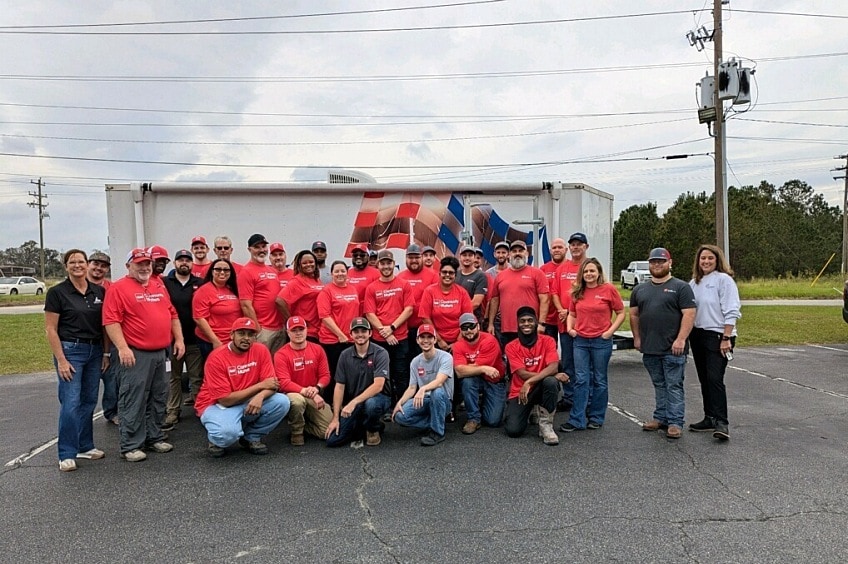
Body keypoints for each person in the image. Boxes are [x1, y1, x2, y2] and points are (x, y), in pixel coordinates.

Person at [103, 248, 185, 462]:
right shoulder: (118, 288)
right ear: (128, 266)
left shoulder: (158, 284)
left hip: (161, 352)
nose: (145, 267)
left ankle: (154, 436)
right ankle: (131, 444)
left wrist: (179, 339)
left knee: (159, 396)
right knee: (133, 398)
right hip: (135, 353)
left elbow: (172, 314)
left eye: (147, 263)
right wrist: (122, 348)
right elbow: (111, 321)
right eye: (139, 263)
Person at [45, 249, 110, 472]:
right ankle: (66, 453)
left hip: (95, 351)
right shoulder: (57, 293)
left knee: (89, 400)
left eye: (81, 261)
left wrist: (106, 353)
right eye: (72, 262)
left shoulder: (98, 291)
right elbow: (51, 330)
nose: (77, 265)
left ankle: (85, 446)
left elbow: (105, 326)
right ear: (66, 266)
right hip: (70, 351)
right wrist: (61, 360)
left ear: (87, 265)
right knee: (71, 402)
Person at [195, 317, 290, 457]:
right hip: (217, 405)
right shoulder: (216, 357)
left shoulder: (261, 350)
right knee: (227, 435)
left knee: (282, 402)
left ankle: (251, 437)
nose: (246, 338)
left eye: (251, 334)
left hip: (247, 400)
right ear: (231, 335)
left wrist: (260, 396)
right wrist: (260, 387)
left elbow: (272, 384)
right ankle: (216, 439)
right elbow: (225, 400)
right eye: (241, 333)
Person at [629, 247, 697, 439]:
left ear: (670, 263)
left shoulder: (681, 287)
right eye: (653, 262)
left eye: (661, 261)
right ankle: (660, 418)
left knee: (674, 385)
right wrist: (637, 337)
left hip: (673, 348)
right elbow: (634, 314)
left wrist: (681, 339)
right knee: (659, 384)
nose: (657, 265)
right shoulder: (640, 289)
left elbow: (689, 314)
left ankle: (675, 422)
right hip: (650, 347)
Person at [559, 258, 624, 433]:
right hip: (580, 341)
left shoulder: (608, 289)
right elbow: (571, 313)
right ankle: (577, 419)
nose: (589, 274)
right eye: (586, 271)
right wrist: (570, 328)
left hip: (601, 341)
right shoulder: (577, 291)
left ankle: (596, 417)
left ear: (598, 273)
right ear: (582, 274)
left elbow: (620, 313)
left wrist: (609, 332)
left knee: (599, 380)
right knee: (581, 379)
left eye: (592, 271)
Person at [688, 244, 741, 440]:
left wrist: (726, 337)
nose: (706, 262)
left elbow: (732, 310)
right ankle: (709, 417)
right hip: (698, 335)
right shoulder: (694, 283)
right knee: (704, 378)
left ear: (717, 260)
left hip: (719, 336)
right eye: (703, 258)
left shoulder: (724, 281)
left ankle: (721, 422)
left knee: (714, 379)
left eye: (710, 258)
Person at [503, 307, 568, 445]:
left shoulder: (548, 341)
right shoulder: (511, 346)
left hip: (538, 387)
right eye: (522, 321)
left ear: (536, 322)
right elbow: (522, 373)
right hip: (520, 392)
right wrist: (553, 375)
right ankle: (531, 410)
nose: (526, 324)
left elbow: (553, 366)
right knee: (513, 430)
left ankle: (546, 426)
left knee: (551, 382)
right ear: (518, 324)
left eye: (530, 320)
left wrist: (531, 381)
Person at [325, 317, 392, 447]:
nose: (360, 334)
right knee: (332, 441)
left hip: (378, 398)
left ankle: (373, 428)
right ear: (351, 335)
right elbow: (339, 387)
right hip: (355, 402)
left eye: (363, 331)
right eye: (356, 331)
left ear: (370, 333)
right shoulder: (344, 355)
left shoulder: (381, 353)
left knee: (371, 405)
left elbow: (378, 386)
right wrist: (335, 418)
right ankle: (364, 424)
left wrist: (353, 403)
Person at [363, 249, 414, 404]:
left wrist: (391, 328)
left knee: (401, 373)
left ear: (393, 264)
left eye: (389, 263)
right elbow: (369, 313)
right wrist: (384, 332)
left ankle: (402, 404)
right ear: (378, 265)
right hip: (379, 340)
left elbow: (409, 309)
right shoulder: (371, 288)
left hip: (400, 338)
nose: (386, 266)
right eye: (383, 263)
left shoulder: (404, 285)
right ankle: (387, 405)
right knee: (382, 374)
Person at [392, 324, 454, 446]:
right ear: (417, 340)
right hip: (424, 399)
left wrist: (423, 389)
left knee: (437, 392)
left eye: (429, 337)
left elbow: (440, 381)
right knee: (400, 416)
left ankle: (437, 433)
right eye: (422, 337)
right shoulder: (415, 362)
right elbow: (412, 388)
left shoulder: (446, 357)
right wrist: (399, 403)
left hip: (442, 399)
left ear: (435, 339)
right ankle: (436, 421)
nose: (426, 340)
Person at [162, 249, 203, 430]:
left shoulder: (199, 283)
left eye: (188, 260)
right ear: (175, 263)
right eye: (181, 260)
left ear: (192, 264)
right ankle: (173, 410)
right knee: (174, 377)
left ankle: (201, 409)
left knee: (196, 377)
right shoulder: (165, 283)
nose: (184, 263)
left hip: (194, 339)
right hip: (172, 341)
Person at [274, 316, 333, 445]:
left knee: (327, 432)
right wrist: (306, 391)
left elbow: (325, 375)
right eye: (294, 330)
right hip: (294, 393)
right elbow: (284, 382)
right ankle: (297, 431)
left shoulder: (317, 349)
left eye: (301, 329)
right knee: (297, 401)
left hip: (313, 393)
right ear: (288, 332)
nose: (298, 333)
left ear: (307, 330)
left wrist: (317, 388)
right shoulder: (281, 354)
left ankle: (306, 426)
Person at [551, 232, 590, 410]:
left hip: (585, 325)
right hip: (565, 323)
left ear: (585, 247)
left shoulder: (589, 267)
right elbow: (554, 293)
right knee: (568, 361)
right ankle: (569, 397)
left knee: (585, 363)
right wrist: (561, 310)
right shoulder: (562, 268)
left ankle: (587, 398)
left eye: (579, 244)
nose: (575, 247)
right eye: (573, 244)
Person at [487, 240, 550, 348]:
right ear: (509, 255)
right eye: (514, 251)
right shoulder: (500, 276)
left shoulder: (537, 273)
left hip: (529, 327)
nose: (517, 253)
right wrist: (491, 324)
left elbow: (545, 299)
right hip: (507, 328)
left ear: (527, 253)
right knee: (510, 361)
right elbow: (494, 300)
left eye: (521, 251)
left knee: (530, 360)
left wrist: (541, 324)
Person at [453, 313, 506, 434]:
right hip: (476, 379)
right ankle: (474, 418)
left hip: (495, 381)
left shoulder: (489, 340)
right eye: (465, 328)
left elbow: (464, 368)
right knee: (467, 381)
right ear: (460, 330)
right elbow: (459, 372)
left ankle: (484, 401)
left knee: (493, 421)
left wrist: (467, 367)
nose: (469, 330)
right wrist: (483, 369)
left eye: (471, 326)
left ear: (478, 326)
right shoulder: (458, 346)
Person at [317, 260, 360, 399]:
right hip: (332, 341)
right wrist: (340, 335)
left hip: (350, 340)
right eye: (337, 271)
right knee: (335, 374)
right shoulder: (326, 291)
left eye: (343, 271)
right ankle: (331, 405)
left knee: (349, 374)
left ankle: (347, 404)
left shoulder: (353, 289)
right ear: (331, 274)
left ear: (347, 273)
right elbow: (324, 316)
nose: (340, 274)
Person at [238, 233, 285, 354]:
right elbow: (245, 305)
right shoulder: (246, 272)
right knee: (261, 366)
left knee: (275, 366)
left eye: (263, 246)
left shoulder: (272, 270)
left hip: (279, 328)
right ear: (249, 249)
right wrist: (257, 330)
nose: (261, 250)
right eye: (257, 247)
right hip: (263, 330)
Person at [86, 251, 118, 426]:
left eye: (103, 265)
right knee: (87, 383)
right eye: (95, 264)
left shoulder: (111, 288)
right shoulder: (79, 286)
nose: (99, 268)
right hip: (85, 341)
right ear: (88, 264)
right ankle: (84, 416)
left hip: (108, 341)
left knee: (111, 379)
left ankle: (111, 412)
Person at [419, 256, 473, 352]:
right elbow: (425, 317)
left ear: (455, 275)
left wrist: (458, 342)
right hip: (435, 341)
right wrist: (439, 340)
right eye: (444, 272)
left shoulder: (462, 293)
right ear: (439, 273)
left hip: (459, 340)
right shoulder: (429, 291)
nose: (447, 275)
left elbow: (468, 319)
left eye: (451, 273)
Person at [193, 258, 242, 362]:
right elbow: (199, 318)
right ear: (212, 271)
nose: (222, 272)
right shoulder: (203, 291)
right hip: (211, 341)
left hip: (231, 340)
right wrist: (215, 341)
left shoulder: (233, 289)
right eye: (218, 269)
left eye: (226, 270)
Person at [396, 243, 439, 360]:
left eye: (417, 257)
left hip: (425, 329)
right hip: (404, 329)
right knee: (406, 361)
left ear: (422, 257)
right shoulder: (400, 277)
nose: (414, 260)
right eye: (410, 257)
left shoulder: (433, 276)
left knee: (426, 360)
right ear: (406, 258)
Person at [276, 249, 325, 343]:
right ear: (299, 265)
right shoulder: (297, 281)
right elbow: (279, 301)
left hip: (318, 330)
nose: (308, 265)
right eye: (304, 263)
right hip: (305, 332)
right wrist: (291, 320)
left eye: (311, 262)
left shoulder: (316, 280)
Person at [456, 246, 488, 324]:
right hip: (455, 319)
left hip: (472, 320)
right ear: (460, 257)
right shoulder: (456, 274)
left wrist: (455, 311)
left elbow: (476, 303)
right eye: (464, 255)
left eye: (470, 255)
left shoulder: (480, 276)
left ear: (474, 258)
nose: (467, 258)